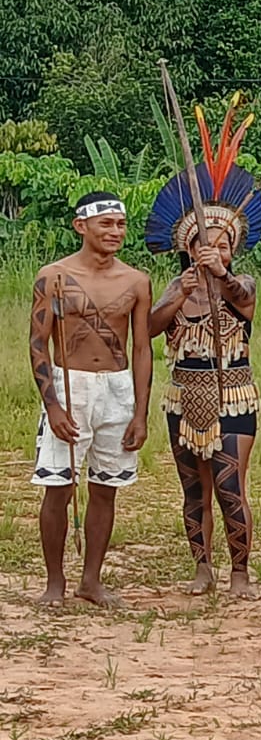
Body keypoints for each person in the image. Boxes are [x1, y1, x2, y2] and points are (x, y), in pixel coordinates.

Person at [146, 99, 261, 597]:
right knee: (192, 490)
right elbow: (151, 327)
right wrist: (179, 291)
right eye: (205, 243)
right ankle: (203, 567)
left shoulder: (243, 284)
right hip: (183, 396)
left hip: (232, 395)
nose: (214, 249)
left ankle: (240, 571)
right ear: (188, 246)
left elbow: (247, 303)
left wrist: (222, 275)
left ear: (233, 247)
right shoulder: (177, 286)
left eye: (222, 243)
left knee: (229, 487)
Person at [30, 192, 152, 608]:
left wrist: (140, 411)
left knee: (105, 488)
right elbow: (38, 345)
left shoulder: (136, 281)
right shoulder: (54, 276)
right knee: (59, 487)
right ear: (81, 226)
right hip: (70, 384)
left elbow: (141, 349)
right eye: (106, 224)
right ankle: (54, 582)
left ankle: (92, 580)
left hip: (116, 387)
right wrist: (54, 405)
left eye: (120, 224)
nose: (115, 232)